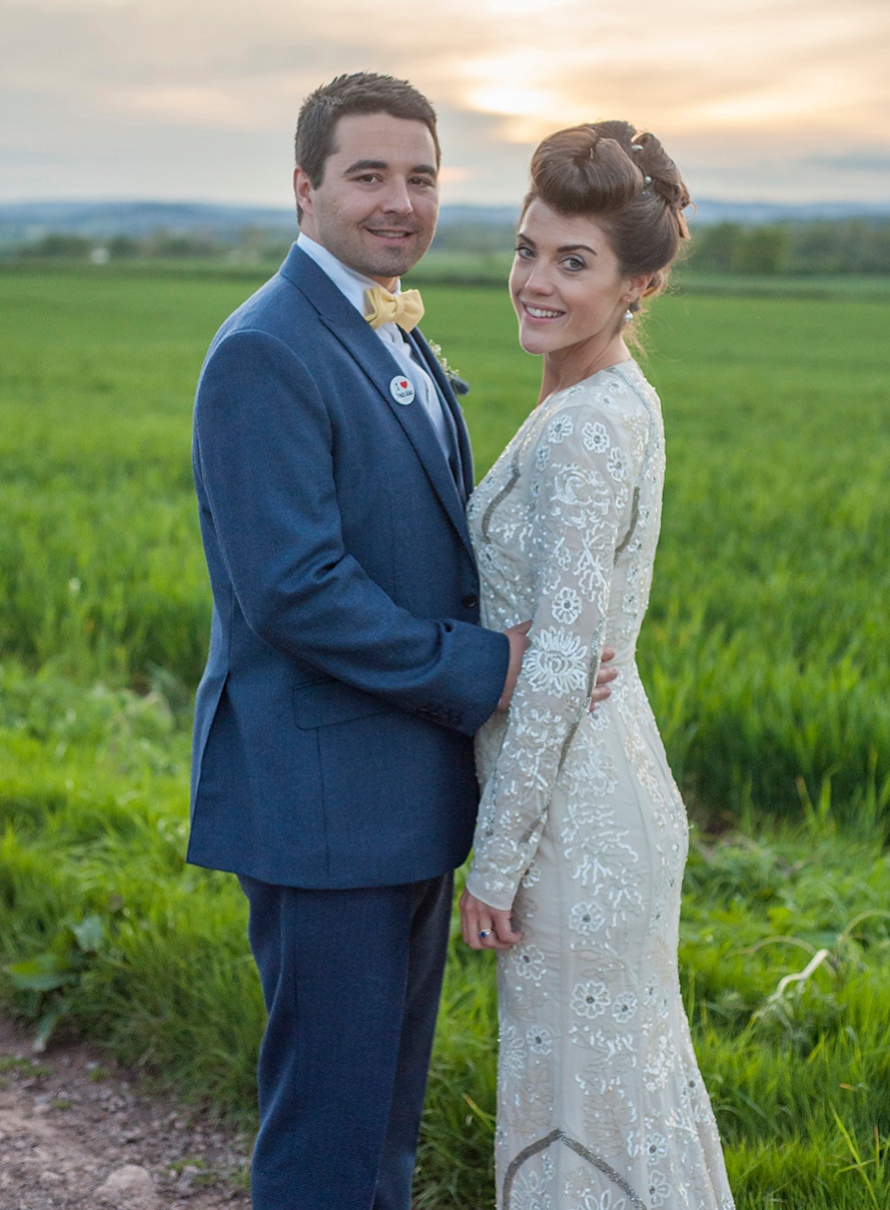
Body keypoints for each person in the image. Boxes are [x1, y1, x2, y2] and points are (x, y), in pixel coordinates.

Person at [186, 72, 615, 1210]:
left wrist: (561, 643)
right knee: (329, 1128)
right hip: (323, 800)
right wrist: (499, 667)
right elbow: (299, 590)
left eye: (420, 176)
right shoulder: (265, 350)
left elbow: (431, 553)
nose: (398, 200)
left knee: (381, 1123)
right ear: (304, 187)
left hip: (403, 791)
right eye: (368, 173)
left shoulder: (397, 335)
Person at [459, 122, 736, 1210]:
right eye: (530, 248)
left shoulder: (586, 426)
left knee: (585, 1105)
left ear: (640, 284)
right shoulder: (607, 396)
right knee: (608, 1096)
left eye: (574, 262)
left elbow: (568, 658)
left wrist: (496, 856)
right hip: (597, 787)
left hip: (575, 825)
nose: (535, 280)